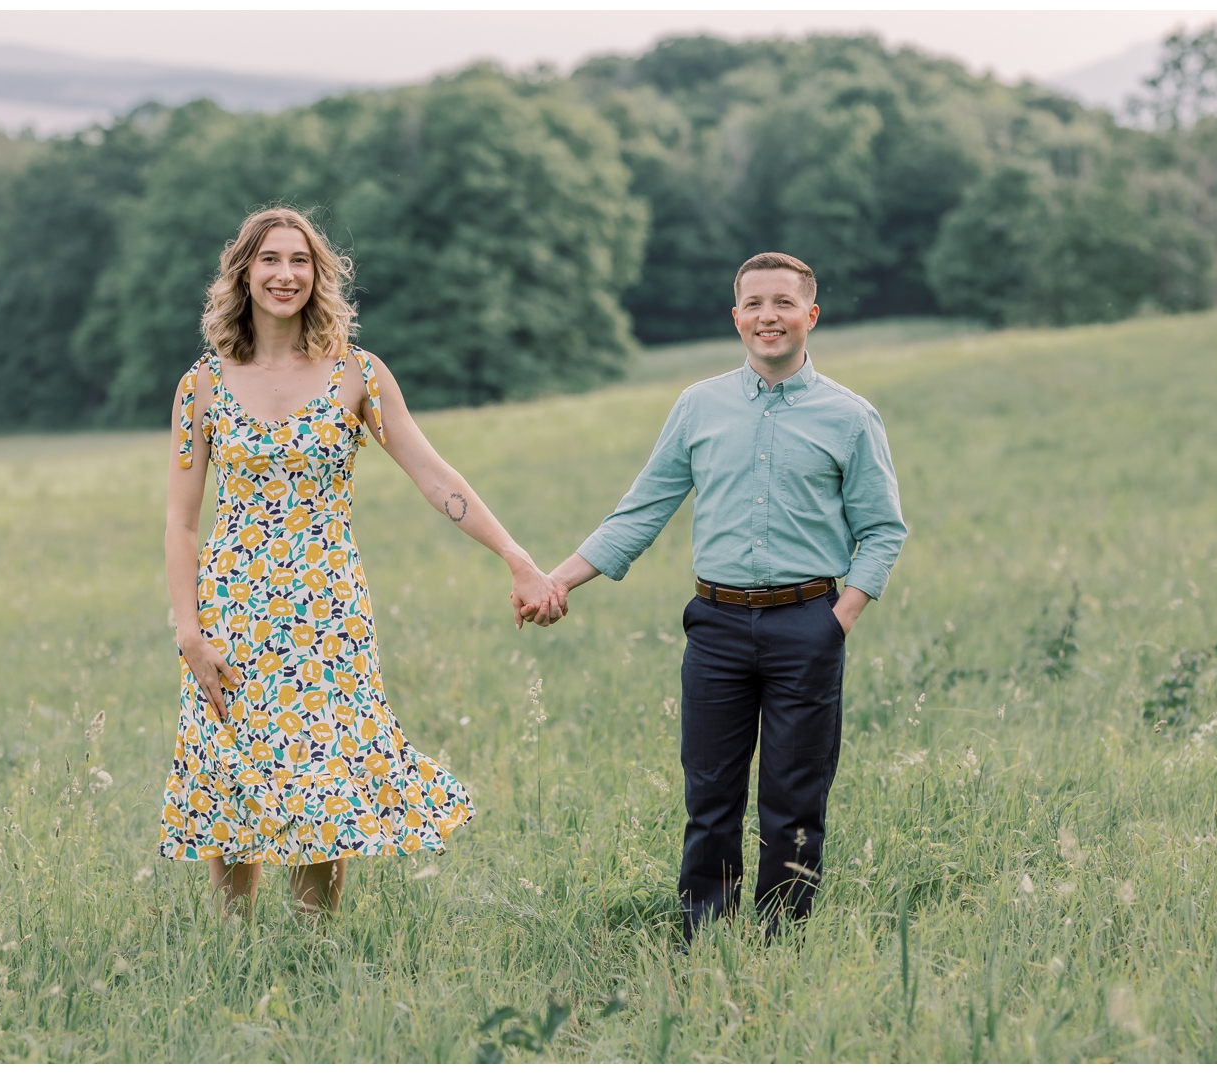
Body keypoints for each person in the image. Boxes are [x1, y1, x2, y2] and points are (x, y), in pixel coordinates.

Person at [160, 206, 567, 920]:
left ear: (318, 276)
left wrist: (517, 555)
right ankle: (230, 947)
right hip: (232, 612)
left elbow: (433, 474)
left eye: (300, 261)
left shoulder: (358, 375)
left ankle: (316, 945)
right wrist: (188, 630)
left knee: (323, 774)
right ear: (243, 274)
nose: (285, 275)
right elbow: (181, 519)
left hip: (328, 612)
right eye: (270, 260)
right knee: (231, 771)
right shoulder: (201, 385)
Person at [523, 252, 906, 942]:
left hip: (807, 627)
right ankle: (704, 934)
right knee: (710, 796)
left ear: (810, 316)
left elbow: (882, 530)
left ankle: (782, 937)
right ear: (736, 317)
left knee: (793, 799)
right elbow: (642, 510)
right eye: (755, 303)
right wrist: (558, 579)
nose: (769, 316)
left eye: (784, 303)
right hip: (717, 627)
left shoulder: (850, 417)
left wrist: (838, 621)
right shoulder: (699, 406)